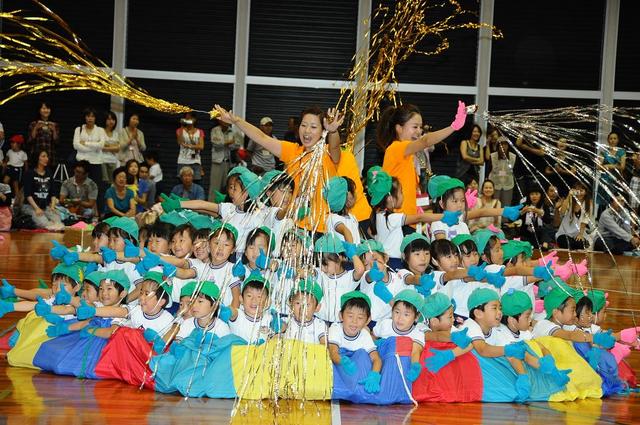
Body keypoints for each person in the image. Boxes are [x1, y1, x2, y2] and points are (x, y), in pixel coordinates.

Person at [213, 104, 344, 232]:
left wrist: (333, 131)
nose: (307, 131)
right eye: (303, 125)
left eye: (314, 127)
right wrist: (236, 120)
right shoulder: (292, 151)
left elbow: (335, 147)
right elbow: (261, 137)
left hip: (319, 229)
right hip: (291, 227)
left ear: (323, 131)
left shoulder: (328, 154)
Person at [378, 102, 468, 217]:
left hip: (409, 219)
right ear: (399, 128)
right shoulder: (396, 148)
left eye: (420, 127)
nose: (419, 131)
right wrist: (453, 127)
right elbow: (425, 141)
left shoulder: (409, 155)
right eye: (415, 127)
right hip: (398, 219)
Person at [327, 291, 383, 394]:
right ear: (341, 316)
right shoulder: (335, 329)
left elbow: (376, 358)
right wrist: (342, 361)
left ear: (367, 320)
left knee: (362, 355)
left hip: (355, 374)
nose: (354, 321)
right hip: (339, 370)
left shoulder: (365, 335)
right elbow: (333, 352)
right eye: (350, 316)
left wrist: (374, 375)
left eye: (360, 318)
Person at [21, 150, 63, 230]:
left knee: (58, 220)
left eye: (47, 156)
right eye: (43, 156)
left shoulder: (49, 173)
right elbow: (28, 194)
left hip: (45, 206)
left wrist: (53, 206)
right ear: (37, 158)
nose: (46, 159)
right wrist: (36, 208)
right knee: (44, 223)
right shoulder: (29, 173)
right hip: (31, 206)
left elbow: (53, 192)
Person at [208, 118, 243, 200]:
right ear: (220, 120)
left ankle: (224, 207)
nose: (226, 122)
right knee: (214, 188)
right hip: (217, 162)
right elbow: (216, 144)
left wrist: (226, 143)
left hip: (229, 163)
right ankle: (210, 208)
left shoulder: (232, 131)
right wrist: (229, 142)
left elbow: (237, 145)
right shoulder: (215, 130)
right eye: (224, 120)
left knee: (227, 186)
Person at [73, 107, 106, 186]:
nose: (90, 118)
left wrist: (85, 143)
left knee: (95, 186)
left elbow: (101, 145)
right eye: (88, 116)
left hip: (96, 162)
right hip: (81, 162)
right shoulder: (78, 129)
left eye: (92, 116)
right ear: (85, 117)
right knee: (80, 186)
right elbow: (76, 145)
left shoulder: (100, 130)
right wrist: (94, 146)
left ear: (95, 118)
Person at [555, 181, 592, 250]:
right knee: (564, 241)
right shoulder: (570, 200)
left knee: (580, 243)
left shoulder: (588, 203)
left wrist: (580, 234)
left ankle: (576, 244)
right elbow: (562, 212)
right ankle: (574, 244)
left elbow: (585, 220)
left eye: (582, 191)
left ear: (586, 192)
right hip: (565, 232)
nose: (579, 193)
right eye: (577, 191)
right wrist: (569, 196)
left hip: (578, 233)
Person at [597, 131, 626, 215]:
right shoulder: (604, 152)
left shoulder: (621, 151)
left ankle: (613, 221)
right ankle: (600, 222)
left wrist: (609, 166)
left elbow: (622, 167)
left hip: (615, 180)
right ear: (608, 140)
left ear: (618, 140)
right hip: (604, 180)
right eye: (611, 138)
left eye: (614, 138)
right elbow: (598, 167)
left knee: (614, 202)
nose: (612, 140)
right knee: (602, 204)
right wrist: (615, 165)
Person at [27, 101, 60, 167]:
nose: (46, 110)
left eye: (48, 108)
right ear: (39, 110)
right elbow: (30, 140)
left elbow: (57, 142)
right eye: (43, 108)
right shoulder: (33, 124)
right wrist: (36, 128)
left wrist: (54, 130)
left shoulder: (54, 124)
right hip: (36, 156)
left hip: (50, 156)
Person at [488, 137, 517, 207]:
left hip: (508, 185)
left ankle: (505, 218)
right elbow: (488, 171)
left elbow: (515, 172)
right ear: (498, 146)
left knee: (506, 207)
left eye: (505, 144)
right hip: (495, 185)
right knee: (494, 207)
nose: (503, 146)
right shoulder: (492, 156)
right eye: (501, 144)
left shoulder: (513, 157)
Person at [176, 112, 205, 183]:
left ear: (194, 119)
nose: (188, 120)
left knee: (196, 181)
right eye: (186, 118)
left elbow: (201, 146)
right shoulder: (180, 130)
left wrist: (189, 146)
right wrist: (182, 127)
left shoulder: (199, 131)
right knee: (182, 181)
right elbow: (180, 142)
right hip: (183, 160)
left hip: (195, 160)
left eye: (189, 118)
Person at [3, 134, 28, 207]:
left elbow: (26, 165)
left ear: (19, 144)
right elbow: (6, 160)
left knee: (15, 185)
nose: (11, 144)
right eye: (11, 143)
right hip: (10, 168)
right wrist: (4, 168)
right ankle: (5, 197)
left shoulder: (23, 153)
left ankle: (16, 200)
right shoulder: (9, 151)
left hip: (17, 170)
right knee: (5, 182)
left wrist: (26, 174)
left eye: (14, 143)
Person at [102, 111, 120, 184]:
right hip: (102, 160)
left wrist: (106, 145)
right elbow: (100, 146)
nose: (111, 121)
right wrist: (113, 147)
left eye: (113, 119)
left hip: (113, 160)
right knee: (104, 182)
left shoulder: (116, 134)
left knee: (112, 182)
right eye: (109, 119)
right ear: (105, 120)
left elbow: (118, 149)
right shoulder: (100, 131)